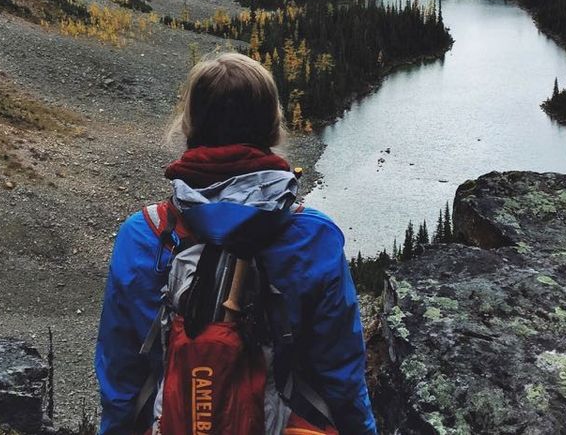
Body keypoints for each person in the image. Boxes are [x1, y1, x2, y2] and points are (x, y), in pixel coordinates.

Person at [95, 51, 376, 434]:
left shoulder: (143, 233)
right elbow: (342, 375)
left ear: (189, 127)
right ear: (273, 129)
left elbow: (120, 374)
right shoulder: (314, 236)